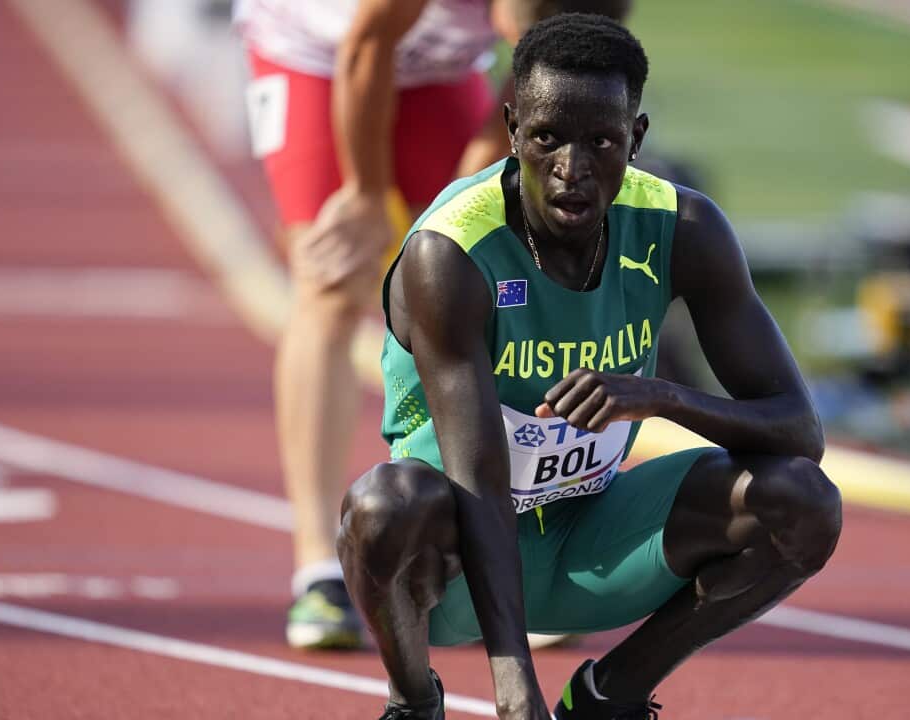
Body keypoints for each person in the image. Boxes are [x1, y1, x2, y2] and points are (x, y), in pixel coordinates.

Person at [339, 13, 842, 719]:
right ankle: (413, 699)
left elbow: (797, 430)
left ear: (635, 139)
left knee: (802, 501)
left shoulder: (684, 229)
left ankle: (612, 695)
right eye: (546, 139)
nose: (571, 171)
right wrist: (516, 693)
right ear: (512, 129)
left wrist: (660, 395)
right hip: (453, 558)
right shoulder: (450, 253)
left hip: (590, 537)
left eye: (600, 142)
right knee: (380, 507)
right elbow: (479, 479)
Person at [234, 0, 629, 650]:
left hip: (440, 65)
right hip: (315, 51)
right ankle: (318, 572)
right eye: (530, 24)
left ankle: (498, 559)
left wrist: (459, 208)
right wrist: (364, 195)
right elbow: (366, 43)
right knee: (334, 283)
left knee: (484, 278)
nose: (535, 38)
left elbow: (535, 89)